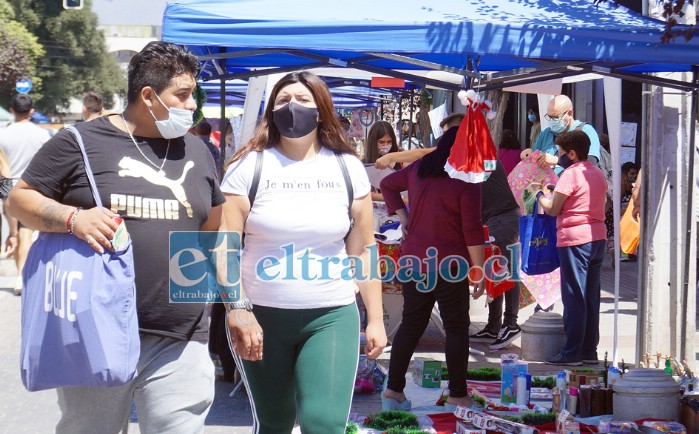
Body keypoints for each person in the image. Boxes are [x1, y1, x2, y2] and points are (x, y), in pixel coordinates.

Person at [5, 41, 224, 433]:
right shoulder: (79, 142)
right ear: (148, 96)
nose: (193, 105)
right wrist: (74, 219)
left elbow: (215, 235)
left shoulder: (200, 152)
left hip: (180, 335)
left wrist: (237, 306)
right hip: (93, 331)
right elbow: (19, 201)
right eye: (184, 95)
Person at [220, 71, 386, 434]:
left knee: (323, 423)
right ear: (271, 111)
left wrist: (376, 318)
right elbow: (226, 246)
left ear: (322, 110)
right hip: (261, 319)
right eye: (282, 100)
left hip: (331, 316)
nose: (292, 107)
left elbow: (364, 249)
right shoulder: (248, 166)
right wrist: (237, 308)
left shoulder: (347, 168)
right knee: (274, 422)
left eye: (303, 100)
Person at [380, 126, 485, 411]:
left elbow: (388, 184)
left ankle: (393, 391)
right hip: (449, 264)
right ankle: (458, 394)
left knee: (412, 324)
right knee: (455, 327)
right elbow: (472, 229)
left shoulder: (420, 168)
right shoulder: (466, 180)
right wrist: (479, 270)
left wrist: (403, 216)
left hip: (414, 261)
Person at [532, 130, 607, 366]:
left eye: (561, 152)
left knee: (574, 296)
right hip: (597, 239)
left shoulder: (569, 174)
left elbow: (553, 208)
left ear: (572, 154)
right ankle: (588, 351)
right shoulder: (597, 173)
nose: (558, 156)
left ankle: (572, 352)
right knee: (590, 297)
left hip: (575, 239)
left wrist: (539, 195)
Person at [468, 160, 522, 350]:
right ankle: (493, 326)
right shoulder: (482, 160)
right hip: (497, 218)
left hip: (502, 218)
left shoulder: (483, 161)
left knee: (505, 272)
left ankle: (511, 324)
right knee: (495, 272)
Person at [0, 94, 50, 295]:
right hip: (33, 186)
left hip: (9, 186)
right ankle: (24, 275)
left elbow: (2, 169)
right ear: (31, 111)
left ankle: (21, 274)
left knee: (17, 233)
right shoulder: (42, 135)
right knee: (26, 232)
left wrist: (6, 195)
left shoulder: (3, 135)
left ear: (11, 110)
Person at [530, 95, 601, 174]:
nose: (551, 121)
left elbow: (589, 165)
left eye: (556, 117)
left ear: (570, 113)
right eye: (549, 117)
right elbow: (532, 159)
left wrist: (558, 161)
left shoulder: (586, 131)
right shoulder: (546, 133)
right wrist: (527, 154)